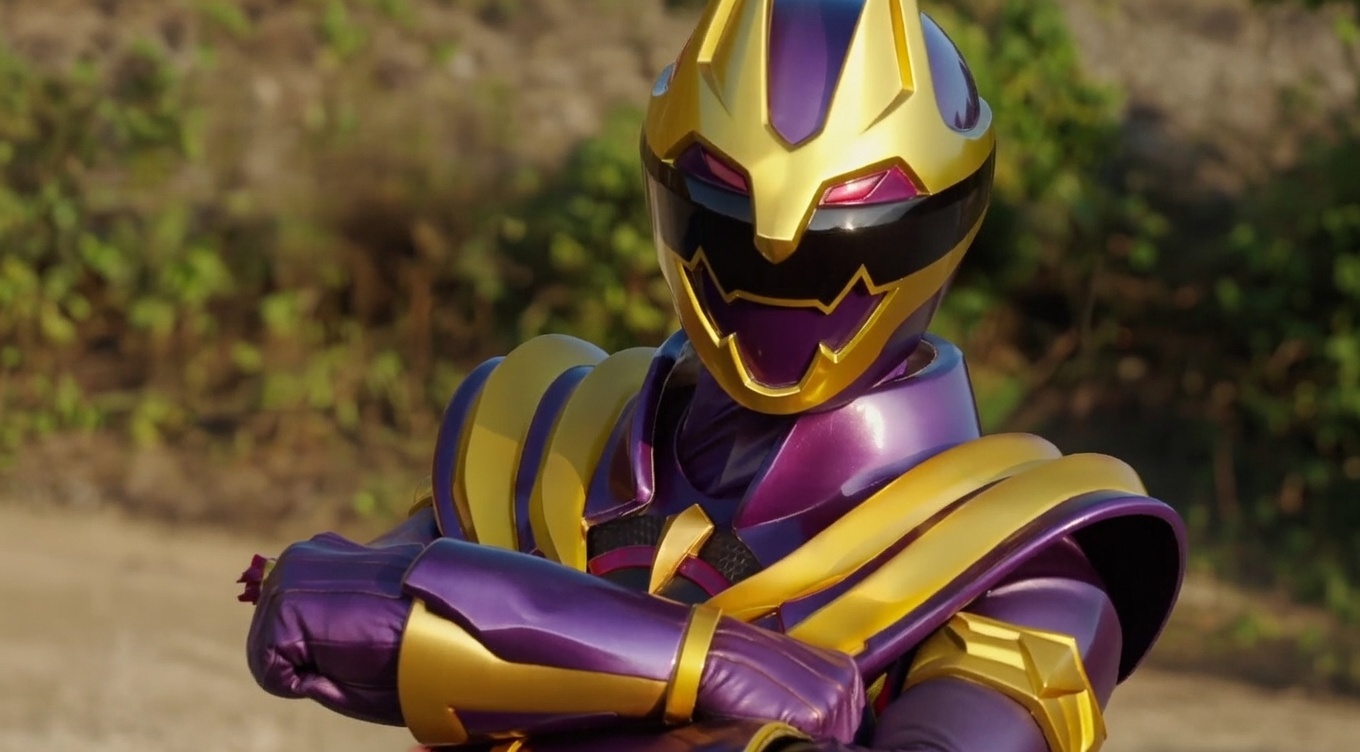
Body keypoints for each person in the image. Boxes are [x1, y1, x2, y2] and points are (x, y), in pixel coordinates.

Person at [239, 1, 1185, 750]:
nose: (783, 278)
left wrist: (509, 643)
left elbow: (379, 614)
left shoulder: (1024, 555)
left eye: (835, 249)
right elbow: (305, 616)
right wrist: (695, 662)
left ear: (942, 223)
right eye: (726, 226)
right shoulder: (546, 426)